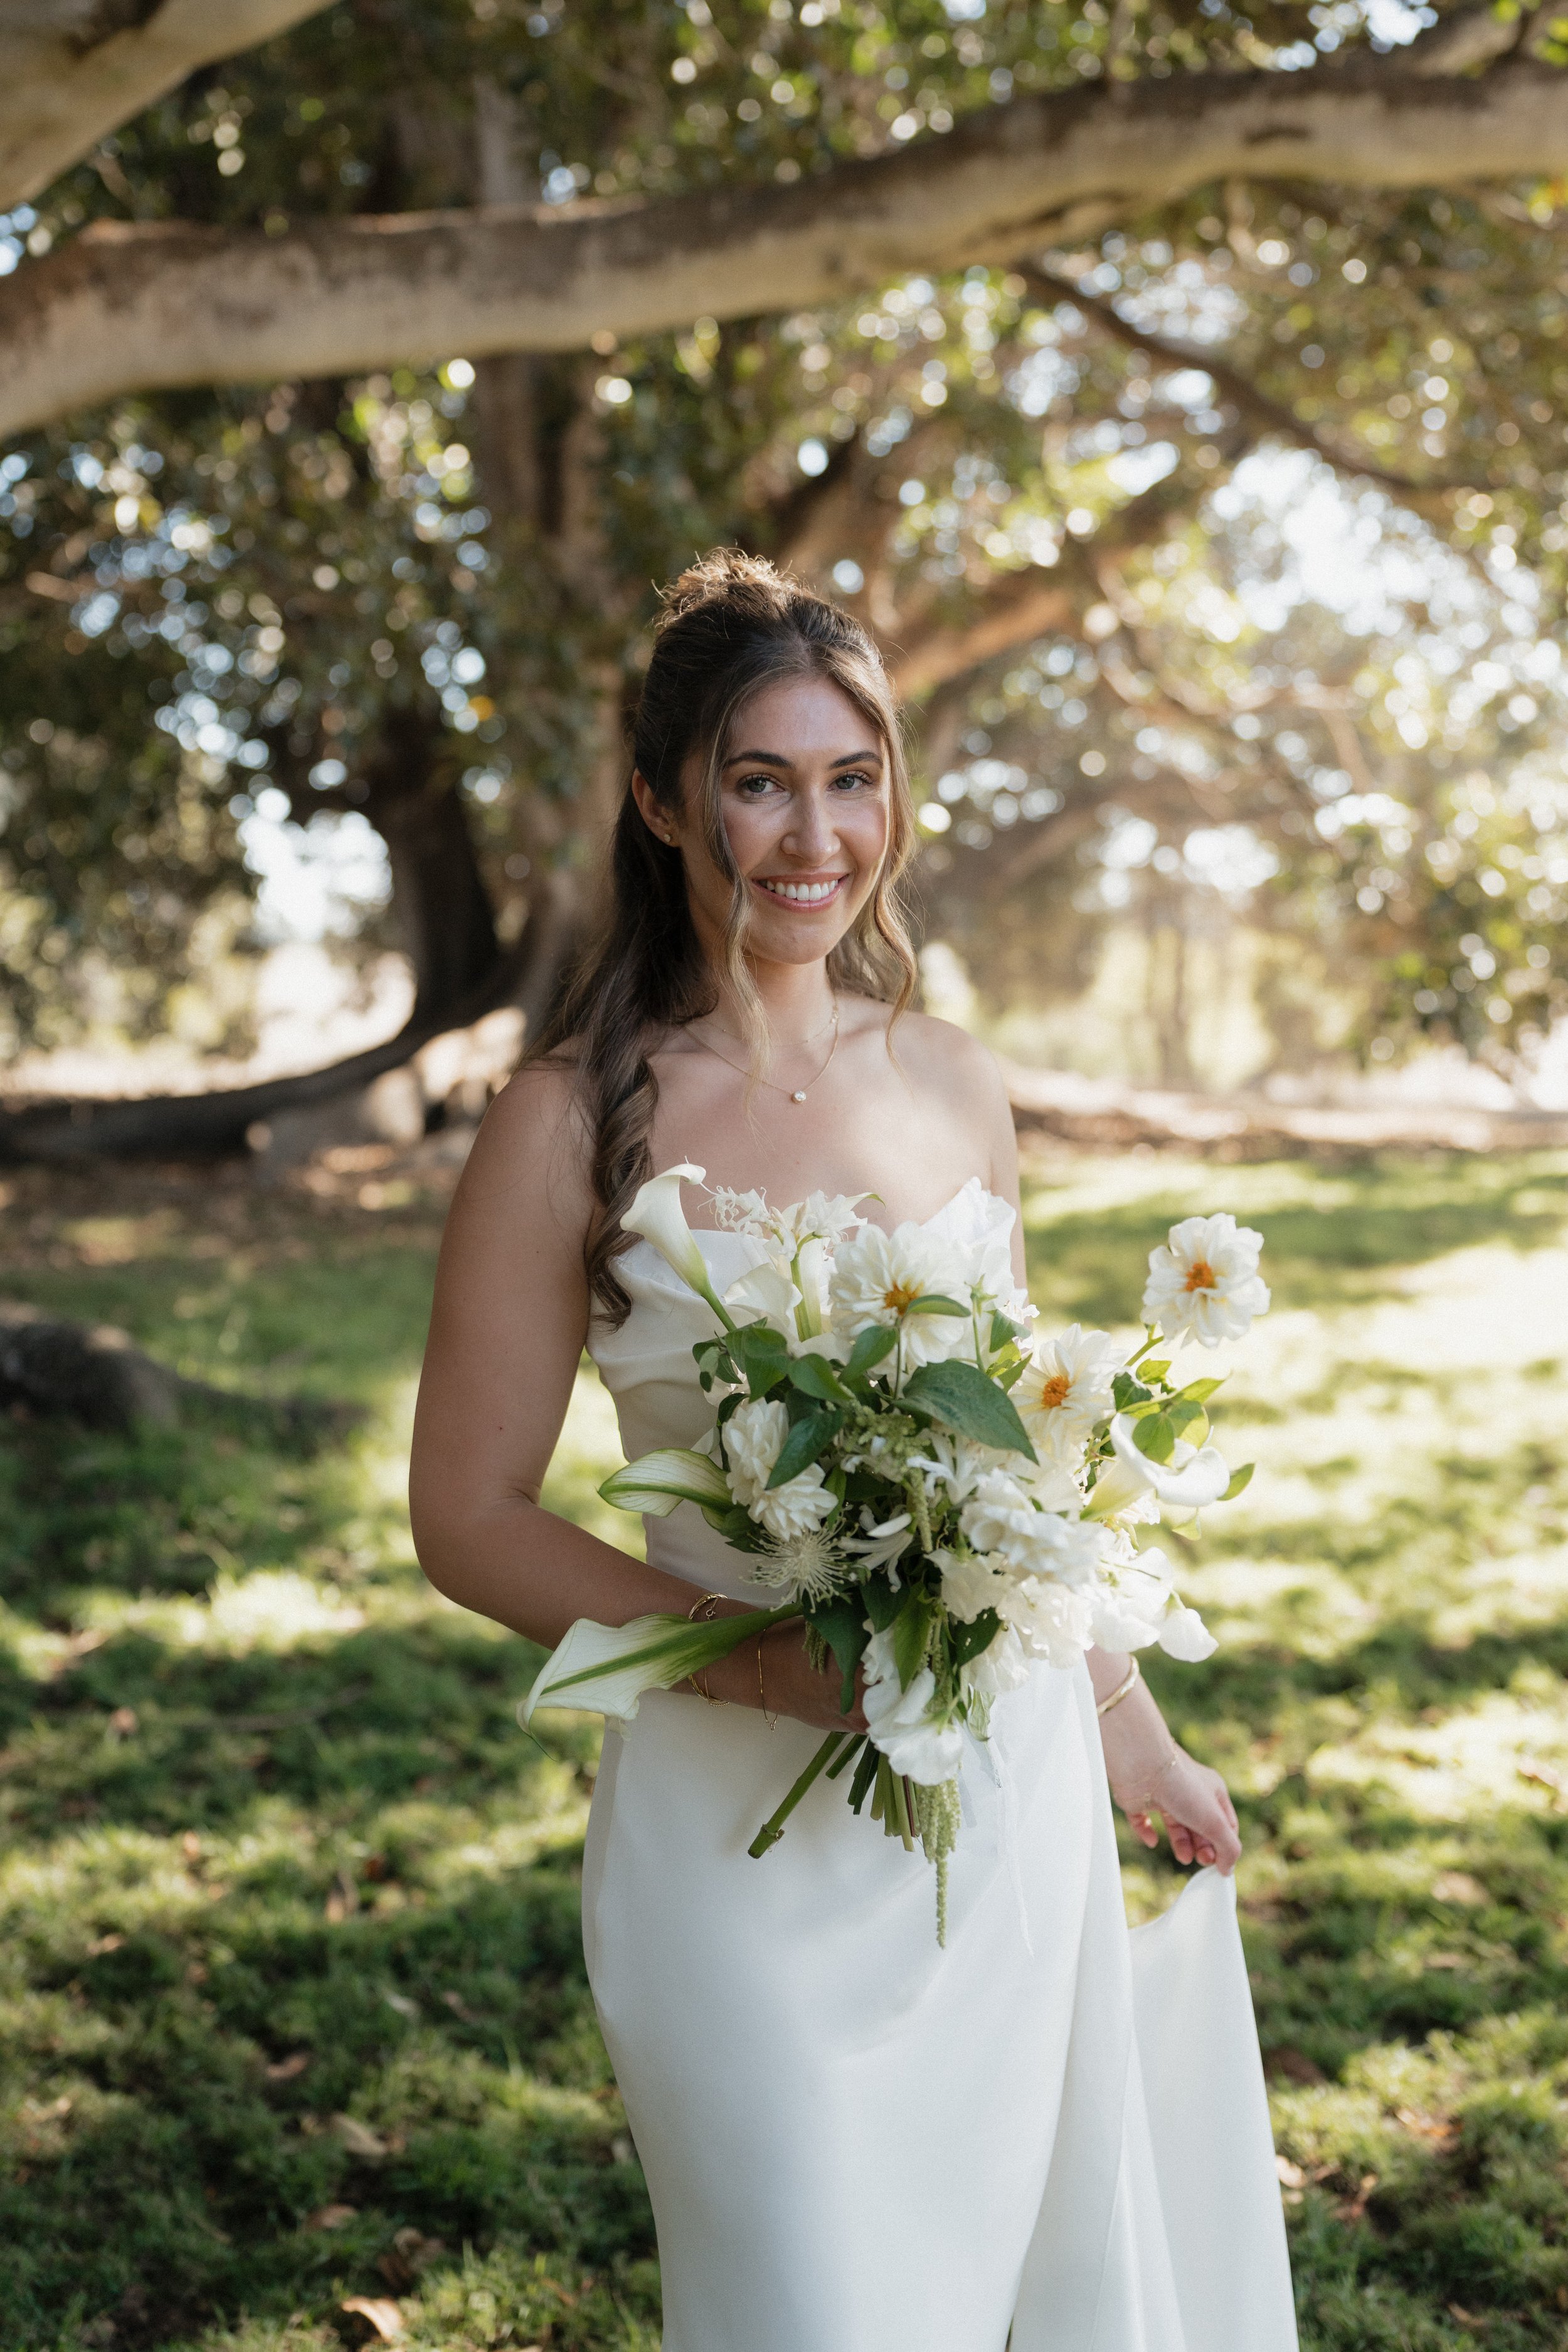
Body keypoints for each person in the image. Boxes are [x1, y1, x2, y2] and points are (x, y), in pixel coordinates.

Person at [410, 550, 1298, 2352]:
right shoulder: (564, 1125)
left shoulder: (954, 1080)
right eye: (759, 782)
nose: (815, 837)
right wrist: (761, 1661)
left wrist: (1131, 1724)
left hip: (1000, 1802)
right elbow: (467, 1518)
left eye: (852, 779)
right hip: (730, 1841)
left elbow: (1016, 1469)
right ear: (662, 801)